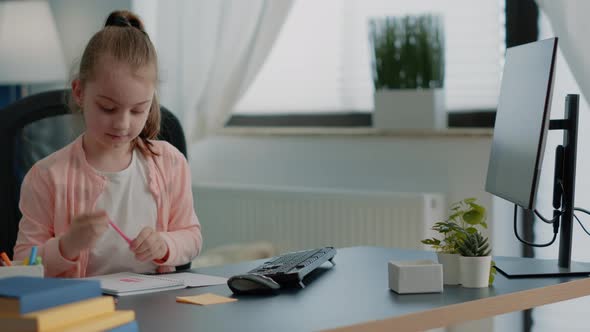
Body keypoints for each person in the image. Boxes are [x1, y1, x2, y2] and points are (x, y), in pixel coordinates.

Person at [13, 10, 202, 278]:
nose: (122, 124)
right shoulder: (46, 176)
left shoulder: (170, 163)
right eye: (108, 108)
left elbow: (191, 237)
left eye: (138, 110)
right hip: (82, 309)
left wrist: (165, 244)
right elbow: (23, 265)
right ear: (79, 92)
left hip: (154, 303)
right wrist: (67, 246)